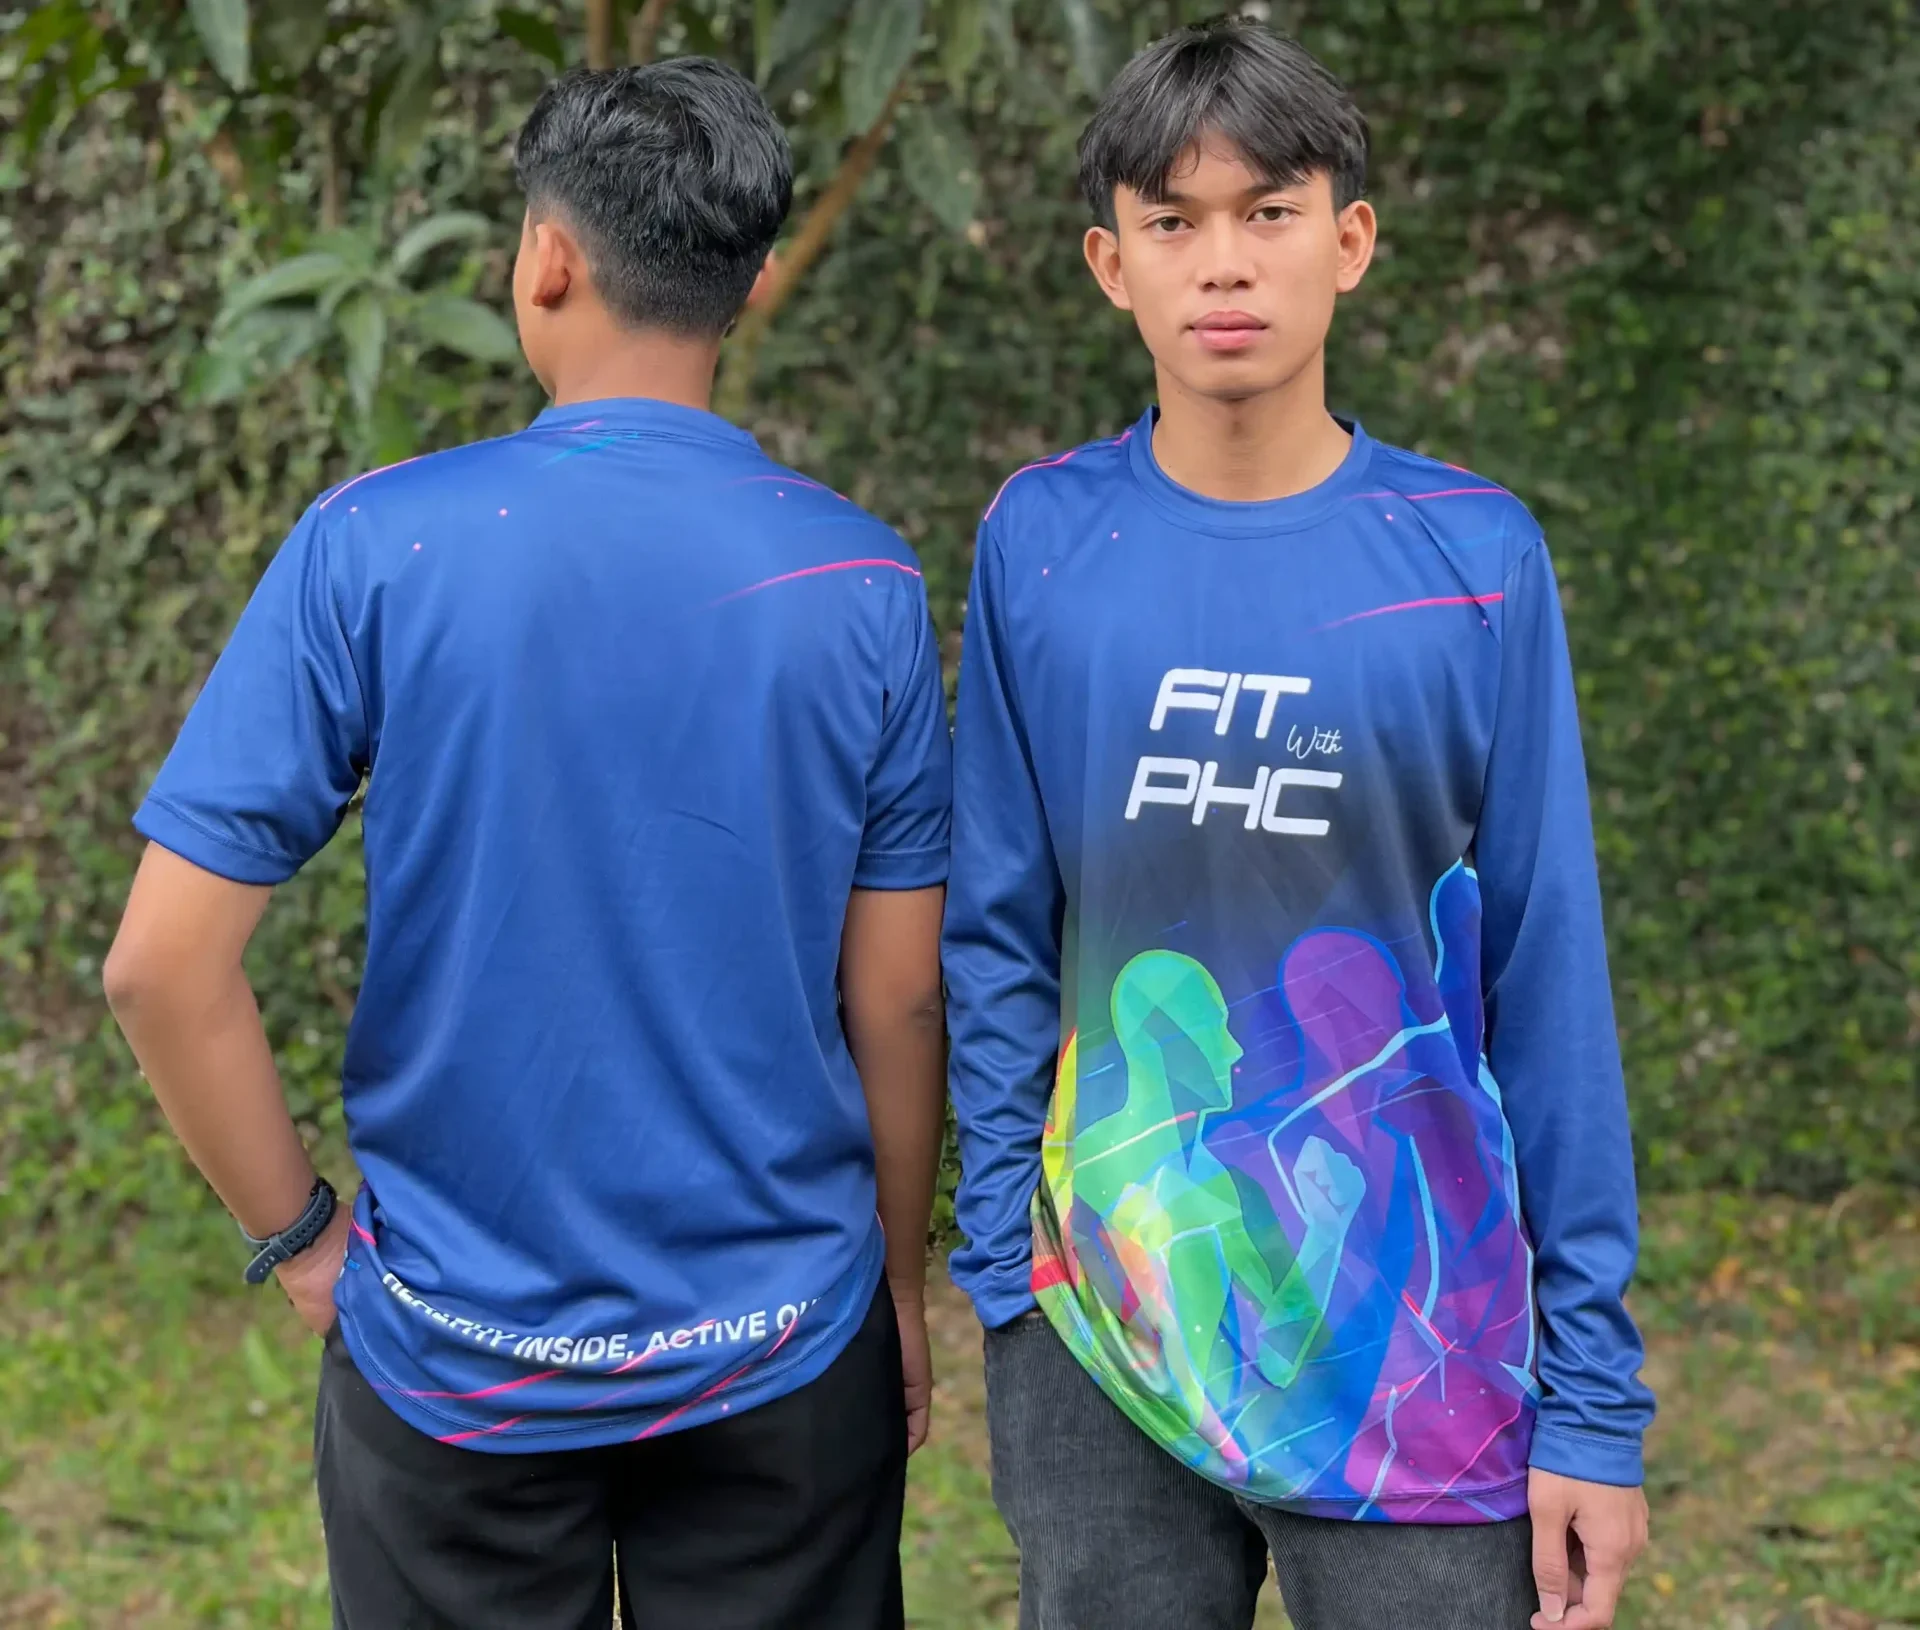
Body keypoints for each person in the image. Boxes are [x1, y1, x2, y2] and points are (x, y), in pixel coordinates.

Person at [104, 59, 950, 1630]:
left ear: (545, 258)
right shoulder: (865, 583)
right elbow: (898, 997)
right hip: (783, 1350)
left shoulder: (375, 546)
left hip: (455, 1360)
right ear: (754, 279)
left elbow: (160, 966)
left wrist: (302, 1240)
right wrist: (896, 1286)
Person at [943, 19, 1653, 1630]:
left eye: (1269, 211)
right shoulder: (1041, 542)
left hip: (1420, 1350)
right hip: (1103, 1326)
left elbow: (1547, 975)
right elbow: (993, 927)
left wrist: (1595, 1401)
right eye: (1172, 220)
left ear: (1350, 241)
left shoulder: (1474, 558)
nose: (1224, 261)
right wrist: (1005, 1267)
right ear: (1110, 263)